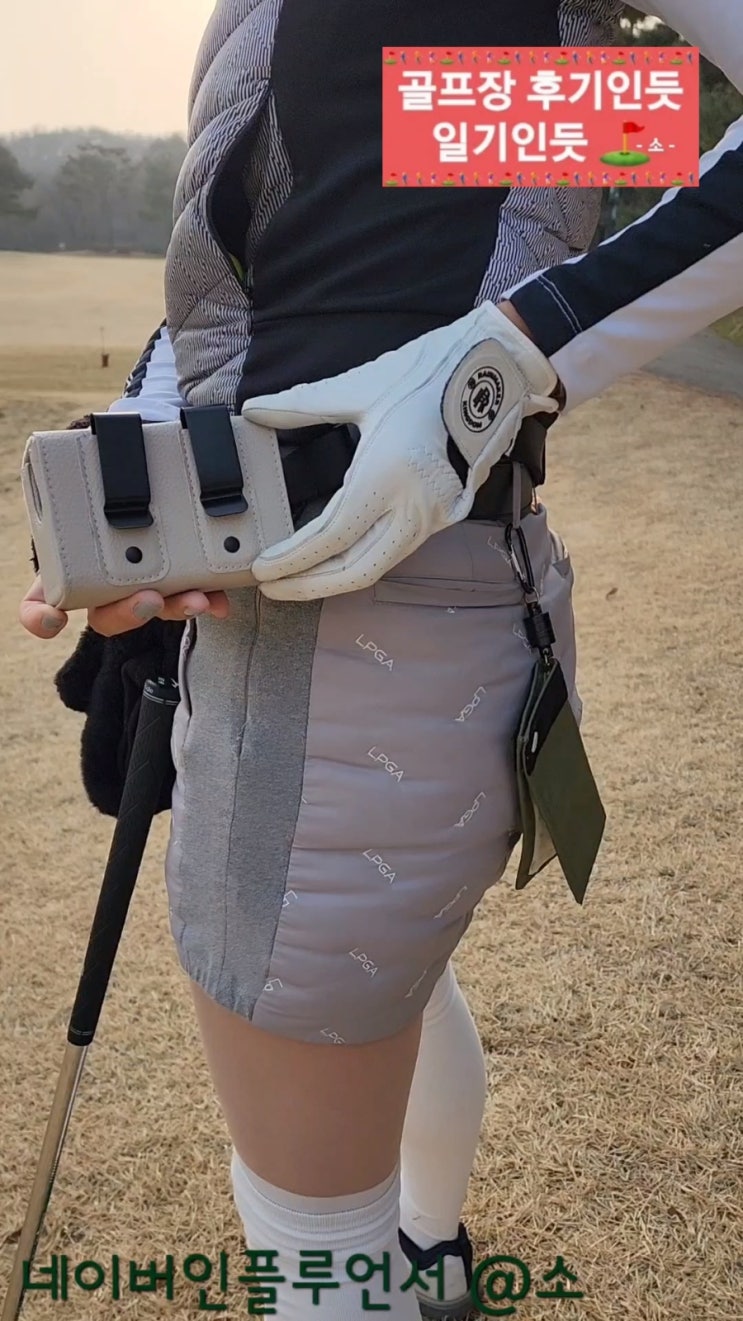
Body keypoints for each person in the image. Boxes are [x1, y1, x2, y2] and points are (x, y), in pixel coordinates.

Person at [18, 1, 742, 1317]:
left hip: (342, 653)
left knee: (308, 1233)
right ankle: (432, 1256)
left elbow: (475, 290)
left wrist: (508, 359)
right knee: (393, 1005)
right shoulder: (461, 59)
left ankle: (410, 1259)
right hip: (407, 615)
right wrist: (146, 443)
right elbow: (290, 281)